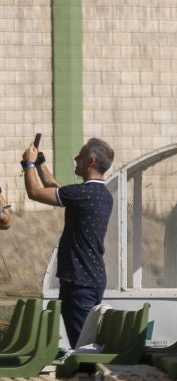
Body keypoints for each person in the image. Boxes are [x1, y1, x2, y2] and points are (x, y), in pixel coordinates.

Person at [22, 136, 114, 347]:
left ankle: (89, 377)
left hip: (78, 281)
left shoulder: (82, 194)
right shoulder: (99, 194)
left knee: (82, 346)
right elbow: (57, 188)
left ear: (91, 161)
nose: (75, 159)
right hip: (92, 278)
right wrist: (40, 164)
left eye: (79, 156)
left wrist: (28, 164)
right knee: (88, 342)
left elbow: (35, 192)